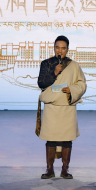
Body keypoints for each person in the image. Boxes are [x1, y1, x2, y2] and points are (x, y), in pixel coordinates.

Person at [36, 35, 87, 179]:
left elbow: (82, 84)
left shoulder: (74, 65)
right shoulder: (46, 64)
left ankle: (65, 170)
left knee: (67, 139)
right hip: (51, 107)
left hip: (67, 106)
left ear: (67, 49)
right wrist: (54, 73)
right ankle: (50, 170)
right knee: (51, 139)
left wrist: (72, 89)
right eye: (57, 48)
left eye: (63, 48)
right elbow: (41, 83)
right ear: (54, 48)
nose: (60, 51)